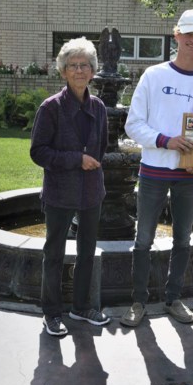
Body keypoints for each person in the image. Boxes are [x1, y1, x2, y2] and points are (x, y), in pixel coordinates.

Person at [121, 8, 193, 327]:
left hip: (187, 178)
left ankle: (174, 299)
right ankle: (138, 302)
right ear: (176, 35)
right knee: (143, 239)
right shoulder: (154, 76)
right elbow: (132, 125)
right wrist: (166, 140)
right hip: (152, 173)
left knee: (183, 241)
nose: (192, 39)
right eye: (187, 33)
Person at [29, 37, 110, 337]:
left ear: (92, 71)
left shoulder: (99, 107)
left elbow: (101, 146)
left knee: (87, 251)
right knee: (54, 253)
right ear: (63, 71)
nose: (79, 71)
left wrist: (89, 162)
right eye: (73, 66)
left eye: (85, 65)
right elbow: (38, 152)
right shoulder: (50, 108)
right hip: (60, 192)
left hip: (91, 192)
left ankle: (81, 307)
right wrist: (77, 159)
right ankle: (51, 313)